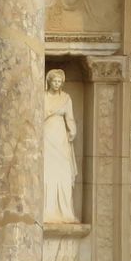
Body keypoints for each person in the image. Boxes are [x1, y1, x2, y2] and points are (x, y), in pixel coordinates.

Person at [43, 68, 79, 223]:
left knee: (63, 171)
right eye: (54, 81)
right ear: (49, 82)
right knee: (47, 171)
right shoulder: (43, 97)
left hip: (60, 135)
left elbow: (70, 118)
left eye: (59, 82)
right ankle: (47, 209)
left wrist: (72, 131)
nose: (57, 84)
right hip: (47, 134)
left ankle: (65, 211)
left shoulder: (66, 98)